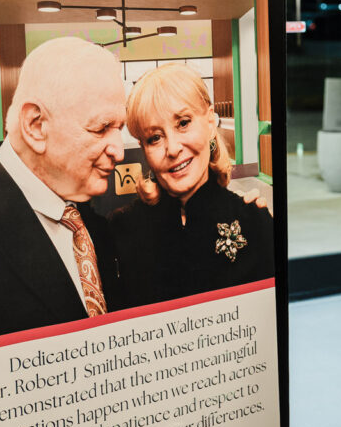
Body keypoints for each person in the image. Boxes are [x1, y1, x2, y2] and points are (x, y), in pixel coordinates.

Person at [0, 37, 127, 343]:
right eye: (101, 128)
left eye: (120, 129)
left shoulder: (86, 216)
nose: (119, 150)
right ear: (36, 125)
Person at [111, 63, 274, 307]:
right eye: (155, 138)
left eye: (183, 123)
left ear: (209, 122)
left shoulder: (255, 221)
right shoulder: (121, 229)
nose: (173, 148)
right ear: (143, 148)